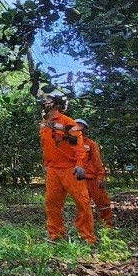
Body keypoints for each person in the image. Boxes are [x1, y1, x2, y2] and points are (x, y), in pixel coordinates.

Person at [38, 92, 96, 244]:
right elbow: (45, 146)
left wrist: (79, 165)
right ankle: (55, 235)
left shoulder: (68, 123)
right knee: (51, 203)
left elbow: (79, 146)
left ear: (56, 103)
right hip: (53, 170)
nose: (44, 102)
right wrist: (46, 165)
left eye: (48, 100)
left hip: (70, 169)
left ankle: (87, 237)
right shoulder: (43, 123)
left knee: (82, 202)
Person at [75, 119, 114, 228]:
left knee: (102, 203)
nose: (77, 128)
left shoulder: (91, 144)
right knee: (82, 204)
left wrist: (100, 177)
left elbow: (97, 162)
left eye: (80, 126)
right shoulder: (72, 145)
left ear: (85, 129)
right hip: (80, 179)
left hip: (93, 179)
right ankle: (82, 228)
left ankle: (107, 226)